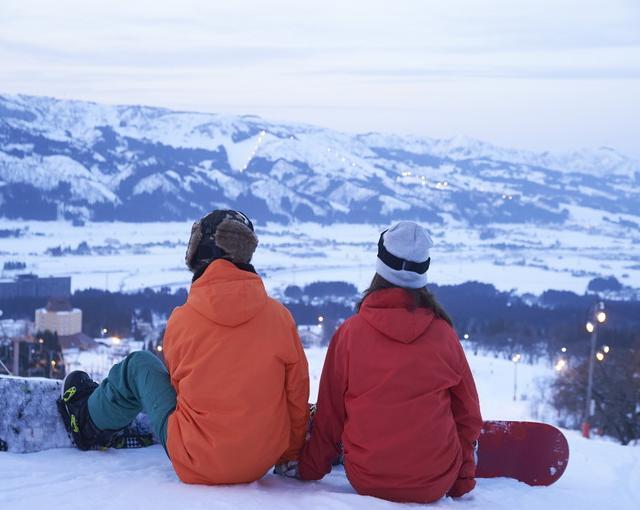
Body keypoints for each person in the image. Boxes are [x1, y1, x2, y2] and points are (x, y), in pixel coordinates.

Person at [59, 209, 310, 485]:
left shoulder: (183, 320)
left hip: (197, 462)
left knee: (139, 365)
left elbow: (179, 391)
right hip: (260, 461)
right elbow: (296, 394)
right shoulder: (280, 317)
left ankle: (86, 421)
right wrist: (289, 453)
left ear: (198, 253)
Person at [290, 221, 482, 503]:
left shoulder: (350, 333)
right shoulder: (443, 334)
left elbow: (330, 416)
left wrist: (309, 468)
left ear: (380, 266)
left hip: (367, 479)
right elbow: (468, 415)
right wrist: (461, 480)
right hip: (434, 481)